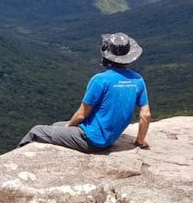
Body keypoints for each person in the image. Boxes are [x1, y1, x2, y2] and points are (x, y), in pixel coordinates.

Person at [19, 32, 151, 152]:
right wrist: (140, 140)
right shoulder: (138, 80)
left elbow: (81, 115)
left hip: (90, 140)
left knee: (36, 131)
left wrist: (69, 127)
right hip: (109, 139)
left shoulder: (100, 80)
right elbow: (146, 115)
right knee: (55, 125)